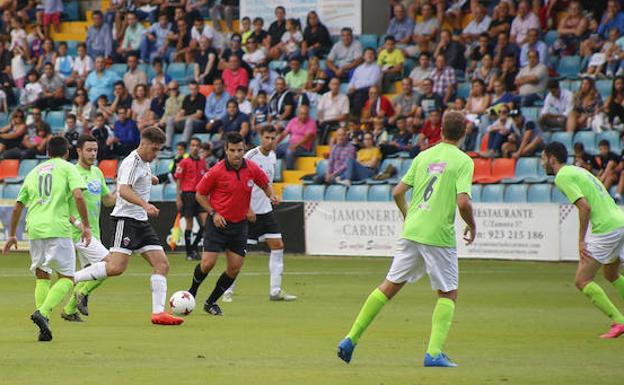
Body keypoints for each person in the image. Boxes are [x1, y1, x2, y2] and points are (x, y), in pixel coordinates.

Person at [337, 110, 476, 367]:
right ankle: (433, 354)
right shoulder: (463, 161)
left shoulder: (424, 156)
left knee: (389, 285)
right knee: (448, 293)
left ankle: (350, 338)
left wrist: (407, 215)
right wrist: (472, 225)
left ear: (441, 130)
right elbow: (463, 202)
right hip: (437, 235)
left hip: (412, 230)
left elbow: (397, 191)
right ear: (464, 132)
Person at [72, 127, 184, 326]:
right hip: (125, 220)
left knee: (162, 264)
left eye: (159, 150)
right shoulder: (132, 162)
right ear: (144, 144)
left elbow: (138, 178)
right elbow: (123, 190)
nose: (156, 153)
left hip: (141, 222)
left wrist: (151, 179)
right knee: (116, 267)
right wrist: (145, 204)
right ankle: (71, 278)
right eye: (154, 149)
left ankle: (158, 313)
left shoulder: (144, 162)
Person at [2, 136, 91, 342]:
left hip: (34, 228)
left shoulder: (33, 172)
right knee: (67, 278)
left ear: (47, 152)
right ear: (67, 153)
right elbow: (78, 196)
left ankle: (44, 326)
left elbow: (17, 206)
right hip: (57, 228)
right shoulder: (68, 168)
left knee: (42, 276)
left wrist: (12, 234)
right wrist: (86, 225)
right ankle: (43, 312)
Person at [188, 132, 278, 316]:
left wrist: (271, 195)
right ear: (226, 150)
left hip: (239, 226)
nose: (236, 154)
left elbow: (265, 183)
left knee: (234, 268)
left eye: (239, 150)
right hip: (218, 224)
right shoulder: (216, 171)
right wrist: (213, 213)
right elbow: (200, 194)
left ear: (244, 149)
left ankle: (211, 302)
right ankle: (192, 292)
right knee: (207, 264)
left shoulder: (252, 168)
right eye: (232, 150)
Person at [543, 141, 624, 338]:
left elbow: (584, 207)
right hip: (620, 220)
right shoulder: (577, 170)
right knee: (611, 273)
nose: (542, 162)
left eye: (544, 158)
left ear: (552, 159)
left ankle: (619, 322)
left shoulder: (562, 176)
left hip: (606, 228)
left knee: (582, 280)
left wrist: (581, 240)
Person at [223, 126, 297, 302]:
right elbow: (238, 184)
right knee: (238, 255)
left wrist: (271, 195)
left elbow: (265, 183)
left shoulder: (273, 156)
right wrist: (246, 208)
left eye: (273, 138)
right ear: (260, 138)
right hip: (247, 213)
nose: (270, 141)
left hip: (265, 211)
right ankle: (226, 291)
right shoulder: (249, 157)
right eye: (267, 137)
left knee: (278, 245)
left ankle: (275, 291)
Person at [60, 135, 117, 322]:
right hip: (78, 233)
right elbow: (60, 206)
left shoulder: (97, 173)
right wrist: (78, 224)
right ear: (78, 151)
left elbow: (108, 201)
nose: (93, 154)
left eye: (95, 150)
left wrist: (124, 191)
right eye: (89, 150)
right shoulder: (71, 172)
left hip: (93, 232)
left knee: (93, 272)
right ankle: (81, 293)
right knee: (110, 264)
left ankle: (69, 311)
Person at [175, 137, 208, 261]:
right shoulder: (184, 162)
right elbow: (178, 180)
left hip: (200, 195)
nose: (195, 147)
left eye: (197, 145)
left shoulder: (203, 162)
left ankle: (194, 247)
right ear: (190, 147)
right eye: (192, 145)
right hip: (188, 195)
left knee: (206, 223)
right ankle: (189, 252)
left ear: (199, 148)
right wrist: (178, 198)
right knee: (190, 224)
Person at [165, 81, 206, 150]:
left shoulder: (202, 98)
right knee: (170, 119)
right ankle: (167, 145)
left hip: (198, 122)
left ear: (198, 89)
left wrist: (182, 118)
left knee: (189, 120)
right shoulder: (187, 98)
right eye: (191, 89)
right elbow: (182, 111)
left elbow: (198, 115)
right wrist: (177, 117)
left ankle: (183, 144)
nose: (193, 91)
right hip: (186, 121)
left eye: (195, 89)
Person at [275, 105, 317, 170]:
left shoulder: (312, 123)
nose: (303, 116)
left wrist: (295, 145)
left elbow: (307, 138)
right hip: (290, 144)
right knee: (274, 150)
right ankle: (275, 172)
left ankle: (290, 171)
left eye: (305, 114)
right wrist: (275, 143)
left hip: (303, 146)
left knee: (289, 151)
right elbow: (284, 134)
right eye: (301, 114)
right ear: (297, 114)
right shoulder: (293, 121)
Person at [317, 77, 350, 144]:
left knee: (326, 125)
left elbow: (344, 116)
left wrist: (326, 120)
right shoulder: (325, 96)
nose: (335, 86)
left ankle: (321, 145)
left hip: (337, 121)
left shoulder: (344, 98)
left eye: (337, 84)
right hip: (324, 121)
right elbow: (319, 111)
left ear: (339, 86)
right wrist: (320, 119)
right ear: (329, 85)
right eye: (333, 84)